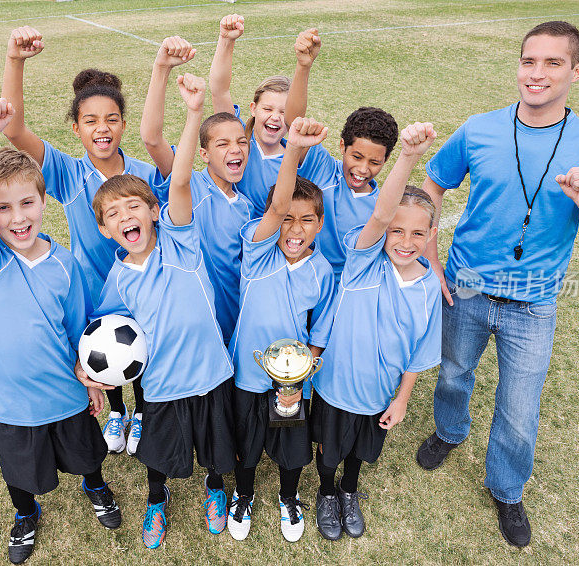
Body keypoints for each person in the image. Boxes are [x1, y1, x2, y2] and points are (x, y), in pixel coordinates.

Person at [415, 21, 579, 548]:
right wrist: (431, 260)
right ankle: (449, 432)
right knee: (453, 376)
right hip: (462, 289)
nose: (537, 73)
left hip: (532, 306)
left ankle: (507, 489)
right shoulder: (479, 128)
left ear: (577, 71)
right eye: (529, 61)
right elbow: (433, 185)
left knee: (518, 407)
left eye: (553, 63)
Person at [0, 98, 120, 564]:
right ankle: (25, 513)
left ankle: (96, 486)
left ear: (44, 201)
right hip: (8, 403)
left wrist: (87, 375)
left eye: (27, 202)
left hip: (65, 396)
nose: (18, 217)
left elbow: (75, 333)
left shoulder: (65, 265)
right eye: (2, 208)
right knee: (19, 472)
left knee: (87, 455)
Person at [1, 26, 166, 455]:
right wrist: (16, 61)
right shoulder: (69, 174)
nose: (102, 129)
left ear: (123, 124)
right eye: (90, 121)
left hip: (146, 288)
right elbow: (14, 129)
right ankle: (117, 411)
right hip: (95, 292)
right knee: (106, 352)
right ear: (76, 128)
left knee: (144, 354)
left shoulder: (147, 176)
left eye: (111, 119)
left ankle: (144, 414)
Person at [89, 74, 236, 549]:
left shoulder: (182, 239)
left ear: (154, 211)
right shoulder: (118, 277)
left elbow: (181, 178)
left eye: (134, 206)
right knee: (158, 451)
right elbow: (102, 334)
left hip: (211, 373)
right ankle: (157, 499)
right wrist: (89, 370)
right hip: (161, 385)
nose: (125, 217)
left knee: (216, 448)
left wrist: (194, 114)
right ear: (107, 231)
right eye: (113, 215)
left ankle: (217, 491)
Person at [310, 122, 441, 541]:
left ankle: (348, 490)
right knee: (329, 451)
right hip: (335, 387)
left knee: (359, 453)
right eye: (396, 231)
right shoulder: (361, 263)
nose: (405, 241)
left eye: (418, 233)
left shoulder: (428, 290)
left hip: (377, 395)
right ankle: (327, 492)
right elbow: (383, 212)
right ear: (382, 230)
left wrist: (402, 400)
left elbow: (419, 354)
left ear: (431, 236)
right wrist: (407, 157)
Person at [226, 117, 336, 542]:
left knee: (292, 446)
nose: (294, 229)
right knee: (246, 443)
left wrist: (308, 367)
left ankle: (289, 498)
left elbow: (320, 328)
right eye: (287, 218)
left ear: (320, 225)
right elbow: (275, 208)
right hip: (248, 375)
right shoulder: (258, 251)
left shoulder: (322, 270)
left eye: (306, 220)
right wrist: (294, 151)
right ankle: (244, 494)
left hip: (292, 380)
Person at [141, 36, 254, 344]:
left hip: (237, 322)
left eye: (242, 142)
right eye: (223, 143)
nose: (236, 149)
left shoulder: (246, 207)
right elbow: (152, 138)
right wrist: (161, 68)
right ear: (204, 154)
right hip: (195, 329)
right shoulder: (188, 184)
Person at [284, 34, 399, 280]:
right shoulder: (323, 168)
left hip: (351, 293)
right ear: (342, 146)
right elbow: (293, 122)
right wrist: (303, 66)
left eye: (374, 162)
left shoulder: (382, 204)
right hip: (308, 282)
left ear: (385, 161)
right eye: (356, 156)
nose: (363, 168)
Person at [209, 14, 321, 216]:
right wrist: (226, 40)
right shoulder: (238, 140)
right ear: (253, 108)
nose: (275, 117)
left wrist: (304, 66)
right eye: (267, 109)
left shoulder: (296, 155)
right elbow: (219, 90)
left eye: (283, 112)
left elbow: (295, 121)